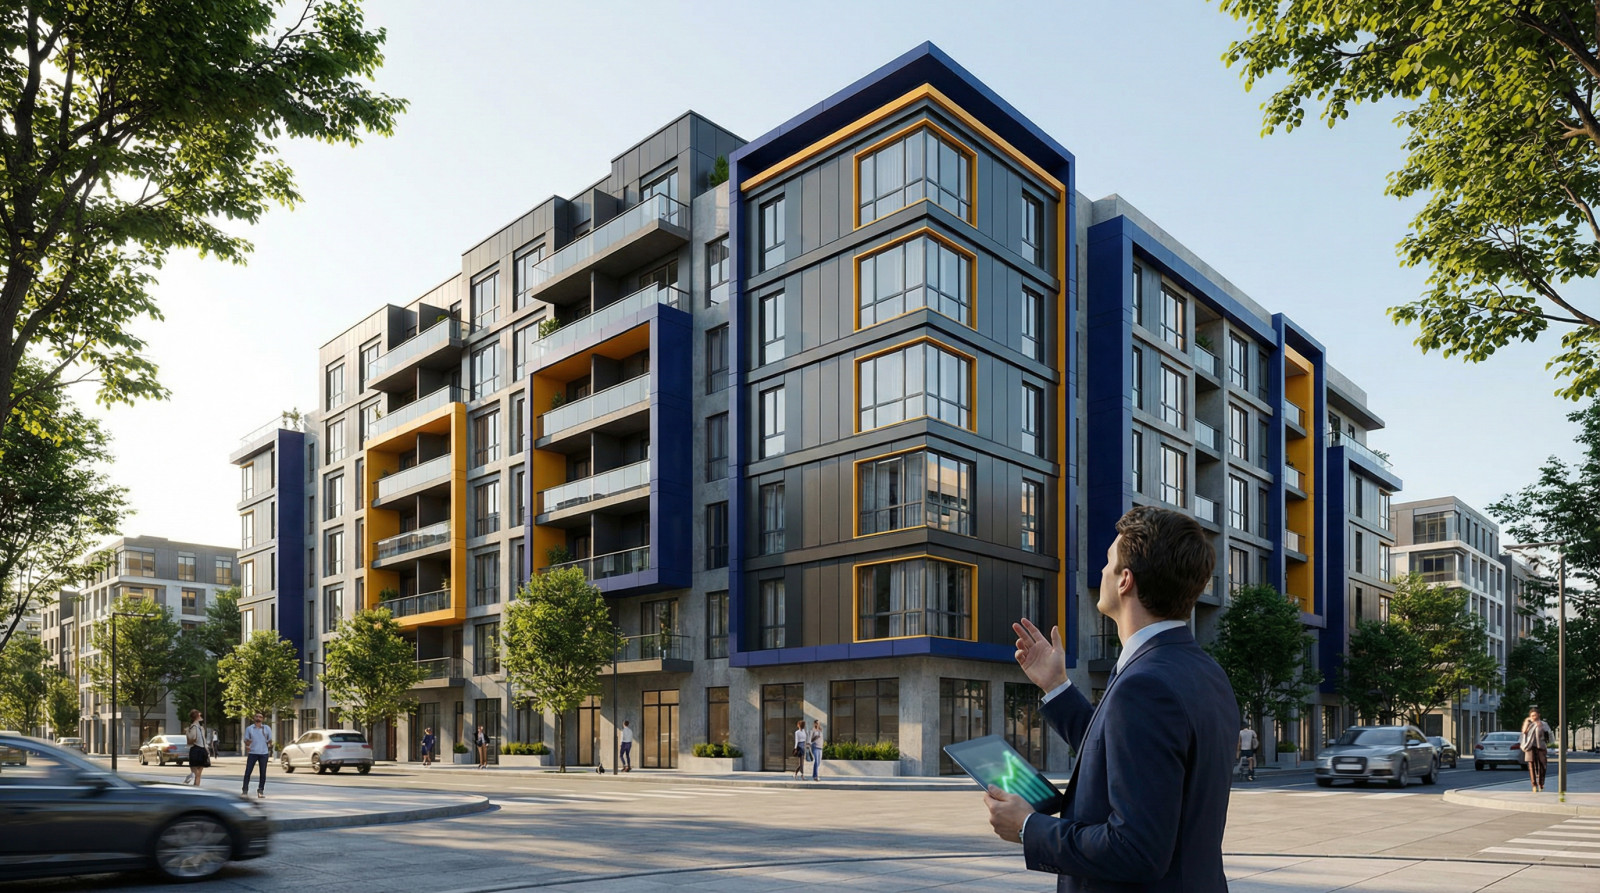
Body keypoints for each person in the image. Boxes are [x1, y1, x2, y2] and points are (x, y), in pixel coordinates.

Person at [984, 506, 1239, 892]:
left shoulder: (1146, 684)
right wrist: (1056, 687)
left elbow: (1136, 849)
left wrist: (1028, 827)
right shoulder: (1202, 671)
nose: (1101, 571)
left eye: (1107, 562)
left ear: (1125, 581)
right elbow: (1129, 752)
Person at [1521, 708, 1554, 792]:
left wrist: (1541, 727)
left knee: (1542, 765)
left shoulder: (1543, 724)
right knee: (1531, 766)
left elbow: (1549, 734)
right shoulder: (1528, 723)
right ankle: (1534, 785)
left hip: (1541, 747)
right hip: (1530, 746)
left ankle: (1541, 783)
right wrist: (1527, 722)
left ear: (1539, 715)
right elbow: (1523, 733)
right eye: (1532, 715)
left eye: (1535, 715)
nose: (1534, 717)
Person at [242, 712, 272, 799]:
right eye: (257, 716)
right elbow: (246, 741)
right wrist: (248, 744)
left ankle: (260, 791)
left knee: (263, 773)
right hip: (252, 753)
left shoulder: (266, 728)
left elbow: (270, 740)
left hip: (263, 753)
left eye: (260, 717)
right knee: (248, 772)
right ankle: (244, 791)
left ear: (262, 719)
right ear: (254, 718)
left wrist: (269, 743)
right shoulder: (249, 728)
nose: (258, 718)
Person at [185, 710, 211, 787]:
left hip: (201, 750)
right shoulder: (193, 727)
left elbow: (203, 740)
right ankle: (192, 780)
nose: (201, 715)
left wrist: (207, 750)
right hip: (196, 749)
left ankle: (195, 786)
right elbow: (192, 738)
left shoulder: (200, 727)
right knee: (197, 773)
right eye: (199, 714)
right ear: (196, 716)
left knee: (198, 774)